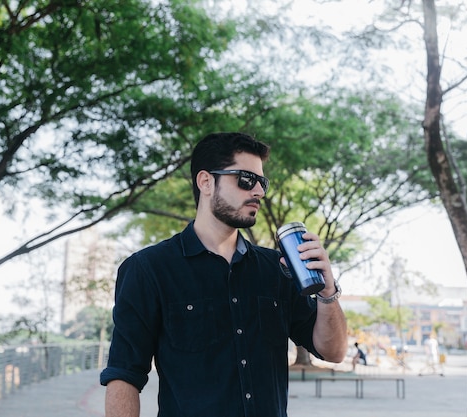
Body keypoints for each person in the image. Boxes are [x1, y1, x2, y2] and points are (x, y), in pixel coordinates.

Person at [100, 132, 348, 417]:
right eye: (246, 179)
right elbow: (123, 374)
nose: (259, 192)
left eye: (261, 182)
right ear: (206, 181)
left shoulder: (278, 269)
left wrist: (328, 292)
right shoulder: (148, 269)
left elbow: (334, 352)